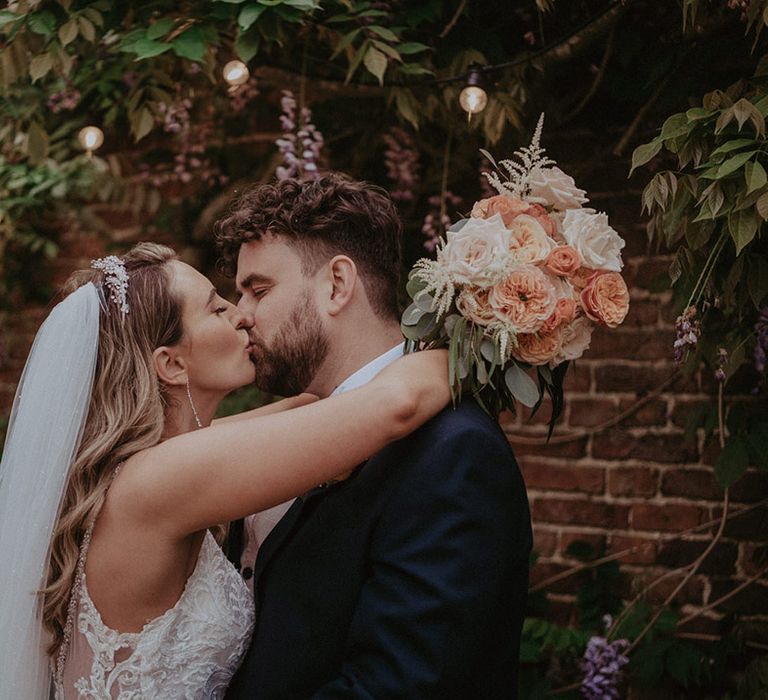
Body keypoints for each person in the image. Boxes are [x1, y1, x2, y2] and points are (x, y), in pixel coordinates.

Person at [0, 242, 450, 699]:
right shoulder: (161, 478)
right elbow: (398, 403)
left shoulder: (159, 461)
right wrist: (482, 328)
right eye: (216, 308)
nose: (240, 315)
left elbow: (315, 405)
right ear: (171, 364)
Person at [216, 173, 533, 699]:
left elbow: (397, 687)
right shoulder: (293, 430)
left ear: (338, 284)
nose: (241, 316)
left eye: (259, 290)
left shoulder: (454, 454)